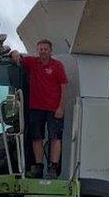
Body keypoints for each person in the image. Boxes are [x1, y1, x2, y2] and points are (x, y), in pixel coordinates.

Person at [10, 39, 68, 178]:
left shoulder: (57, 66)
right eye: (40, 49)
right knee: (37, 138)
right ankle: (39, 167)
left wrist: (61, 107)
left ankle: (53, 167)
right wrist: (14, 52)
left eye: (45, 49)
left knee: (55, 137)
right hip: (36, 107)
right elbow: (17, 57)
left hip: (54, 108)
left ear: (50, 51)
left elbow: (64, 86)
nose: (43, 51)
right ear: (38, 50)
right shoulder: (32, 62)